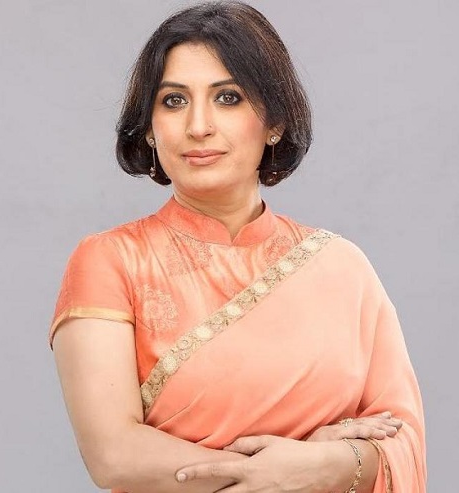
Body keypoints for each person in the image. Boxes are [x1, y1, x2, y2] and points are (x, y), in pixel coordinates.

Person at [49, 2, 426, 492]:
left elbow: (399, 441)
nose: (198, 125)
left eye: (228, 98)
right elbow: (114, 455)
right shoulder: (111, 261)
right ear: (149, 128)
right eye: (173, 101)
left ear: (275, 122)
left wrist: (321, 464)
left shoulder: (341, 268)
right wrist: (283, 474)